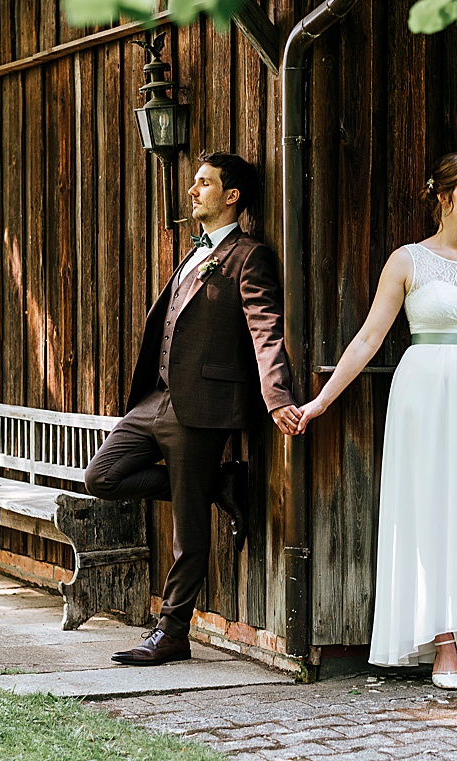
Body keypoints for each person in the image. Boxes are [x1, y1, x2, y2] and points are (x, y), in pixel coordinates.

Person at [296, 152, 457, 690]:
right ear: (443, 196)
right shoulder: (407, 261)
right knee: (432, 513)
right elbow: (369, 338)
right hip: (424, 393)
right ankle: (443, 643)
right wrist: (321, 402)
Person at [84, 151, 302, 666]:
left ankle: (172, 633)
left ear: (232, 196)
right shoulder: (194, 252)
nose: (192, 190)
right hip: (155, 400)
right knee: (101, 477)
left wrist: (277, 397)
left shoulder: (250, 256)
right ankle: (218, 486)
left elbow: (265, 328)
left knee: (188, 531)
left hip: (201, 409)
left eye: (204, 183)